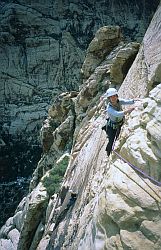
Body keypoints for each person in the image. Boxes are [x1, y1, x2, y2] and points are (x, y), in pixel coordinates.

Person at [102, 87, 137, 156]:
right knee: (111, 140)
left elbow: (127, 102)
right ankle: (108, 152)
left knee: (118, 137)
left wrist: (134, 100)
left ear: (117, 96)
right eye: (111, 97)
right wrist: (129, 110)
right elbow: (117, 114)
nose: (113, 98)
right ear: (109, 99)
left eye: (114, 96)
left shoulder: (119, 101)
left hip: (120, 123)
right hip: (111, 127)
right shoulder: (109, 108)